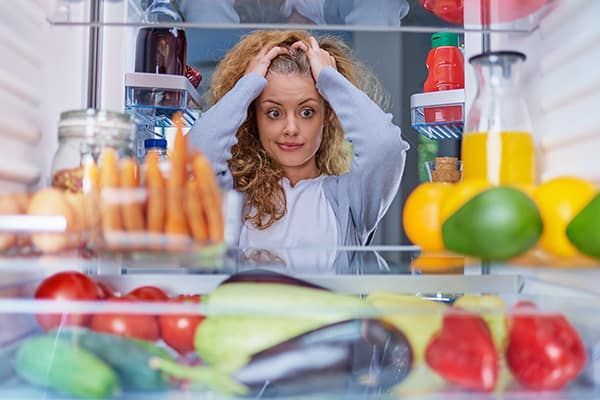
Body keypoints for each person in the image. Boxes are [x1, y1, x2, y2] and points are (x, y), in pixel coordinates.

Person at [189, 30, 409, 252]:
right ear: (252, 116)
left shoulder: (349, 200)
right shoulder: (237, 198)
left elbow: (384, 146)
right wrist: (247, 86)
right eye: (274, 113)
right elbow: (195, 154)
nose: (291, 129)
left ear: (328, 114)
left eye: (307, 112)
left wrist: (330, 79)